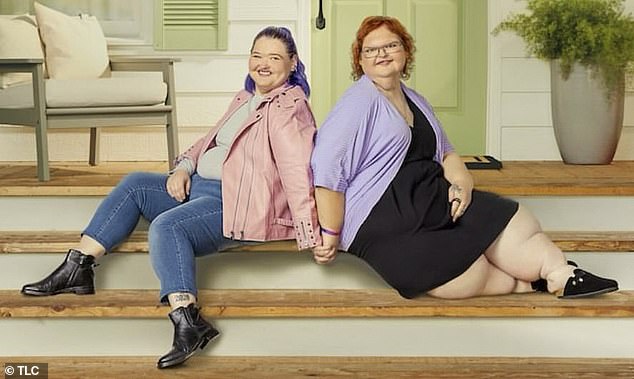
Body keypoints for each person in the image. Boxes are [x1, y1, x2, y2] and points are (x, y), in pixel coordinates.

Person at [21, 26, 320, 369]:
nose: (262, 64)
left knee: (167, 226)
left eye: (274, 57)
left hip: (233, 202)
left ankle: (187, 321)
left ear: (293, 63)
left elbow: (298, 172)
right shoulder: (245, 97)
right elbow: (209, 141)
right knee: (135, 184)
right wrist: (183, 167)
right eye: (256, 55)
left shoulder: (288, 109)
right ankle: (79, 267)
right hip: (197, 185)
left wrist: (310, 232)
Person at [310, 16, 618, 301]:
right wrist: (331, 233)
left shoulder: (414, 99)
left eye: (390, 45)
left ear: (405, 52)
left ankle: (563, 275)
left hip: (432, 198)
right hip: (383, 219)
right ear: (360, 60)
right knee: (467, 276)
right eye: (370, 49)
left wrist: (461, 182)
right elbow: (327, 168)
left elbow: (446, 152)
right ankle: (530, 283)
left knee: (509, 218)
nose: (381, 54)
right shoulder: (358, 103)